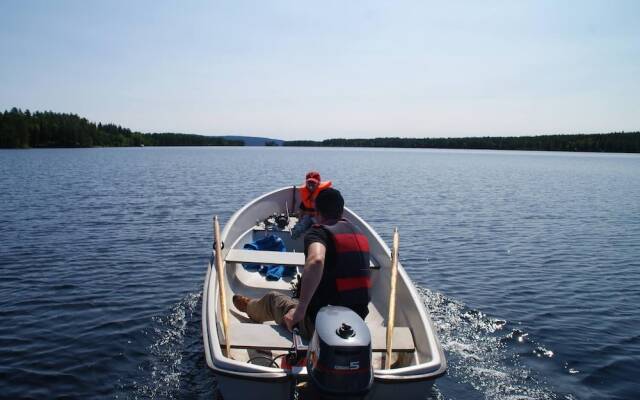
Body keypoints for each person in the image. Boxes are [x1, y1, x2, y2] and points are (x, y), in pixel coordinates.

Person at [233, 188, 371, 339]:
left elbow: (316, 260)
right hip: (356, 325)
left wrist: (300, 310)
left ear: (317, 213)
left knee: (273, 299)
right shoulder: (359, 234)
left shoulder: (319, 232)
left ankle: (250, 308)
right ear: (342, 211)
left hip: (320, 327)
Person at [290, 171, 332, 239]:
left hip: (320, 218)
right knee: (301, 226)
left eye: (313, 182)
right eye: (309, 182)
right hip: (308, 216)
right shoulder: (306, 193)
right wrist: (300, 219)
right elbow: (302, 207)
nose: (311, 185)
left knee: (316, 229)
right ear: (306, 182)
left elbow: (327, 210)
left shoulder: (324, 193)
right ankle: (293, 238)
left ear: (318, 183)